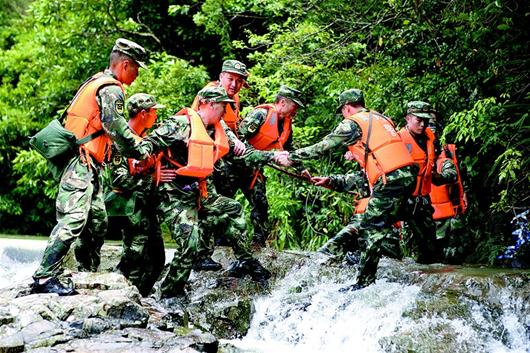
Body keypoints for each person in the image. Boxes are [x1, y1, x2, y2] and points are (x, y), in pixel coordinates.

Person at [31, 38, 152, 296]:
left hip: (90, 165)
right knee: (74, 219)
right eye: (136, 68)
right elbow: (116, 128)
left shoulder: (99, 81)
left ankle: (86, 272)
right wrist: (141, 151)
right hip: (80, 163)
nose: (137, 73)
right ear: (125, 64)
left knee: (97, 222)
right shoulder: (111, 88)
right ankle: (43, 277)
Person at [275, 88, 417, 290]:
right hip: (407, 177)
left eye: (342, 111)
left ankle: (364, 284)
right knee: (382, 224)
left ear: (347, 108)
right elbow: (369, 171)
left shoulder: (353, 123)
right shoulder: (381, 119)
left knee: (369, 228)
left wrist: (291, 156)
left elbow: (323, 146)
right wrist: (331, 181)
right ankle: (387, 265)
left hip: (390, 179)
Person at [138, 86, 271, 299]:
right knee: (189, 243)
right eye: (222, 108)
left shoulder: (217, 130)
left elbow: (244, 156)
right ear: (209, 105)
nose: (225, 113)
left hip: (198, 193)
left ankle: (245, 260)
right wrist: (154, 173)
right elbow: (143, 148)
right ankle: (170, 294)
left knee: (233, 209)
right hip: (174, 195)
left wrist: (275, 157)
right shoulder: (180, 125)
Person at [106, 93, 169, 297]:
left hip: (148, 209)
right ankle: (117, 298)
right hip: (131, 210)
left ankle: (138, 300)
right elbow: (118, 179)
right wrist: (152, 178)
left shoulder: (146, 141)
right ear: (143, 113)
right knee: (133, 260)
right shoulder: (120, 142)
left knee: (157, 260)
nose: (156, 117)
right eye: (153, 112)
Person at [190, 60, 249, 271]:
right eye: (231, 79)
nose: (234, 85)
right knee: (208, 205)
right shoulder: (211, 94)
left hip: (220, 159)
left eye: (239, 81)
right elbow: (219, 123)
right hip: (204, 158)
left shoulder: (234, 99)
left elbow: (232, 125)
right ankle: (201, 254)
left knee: (220, 203)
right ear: (221, 76)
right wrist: (236, 142)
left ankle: (213, 245)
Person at [237, 85, 304, 246]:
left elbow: (289, 149)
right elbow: (239, 137)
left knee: (261, 202)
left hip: (254, 168)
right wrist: (269, 156)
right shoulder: (261, 114)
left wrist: (303, 170)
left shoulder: (286, 123)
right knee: (224, 202)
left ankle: (258, 242)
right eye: (294, 106)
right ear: (282, 102)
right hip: (235, 165)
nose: (295, 111)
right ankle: (219, 241)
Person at [397, 101, 458, 263]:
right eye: (419, 120)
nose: (423, 124)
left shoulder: (432, 140)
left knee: (430, 248)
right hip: (400, 198)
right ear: (408, 119)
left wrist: (437, 177)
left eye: (426, 121)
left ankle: (426, 278)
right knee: (386, 243)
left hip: (422, 199)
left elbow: (441, 167)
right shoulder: (397, 140)